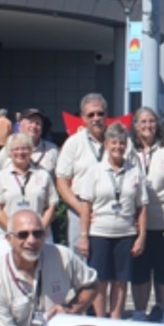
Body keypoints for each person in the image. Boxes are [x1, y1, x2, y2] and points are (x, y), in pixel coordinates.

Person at [76, 123, 148, 319]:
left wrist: (141, 236)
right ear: (106, 144)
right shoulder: (95, 171)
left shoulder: (134, 172)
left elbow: (142, 206)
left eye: (122, 143)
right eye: (114, 142)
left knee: (121, 280)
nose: (118, 147)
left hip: (126, 233)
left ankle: (116, 320)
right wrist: (84, 236)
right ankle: (101, 320)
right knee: (100, 280)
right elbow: (86, 205)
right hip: (99, 233)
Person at [128, 107, 164, 324]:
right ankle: (140, 312)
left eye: (151, 121)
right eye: (142, 121)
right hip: (136, 222)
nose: (147, 126)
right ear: (135, 125)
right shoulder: (128, 151)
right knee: (140, 272)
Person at [0, 133, 58, 259]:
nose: (21, 152)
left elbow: (52, 205)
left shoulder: (43, 175)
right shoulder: (0, 177)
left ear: (31, 151)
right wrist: (14, 230)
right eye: (16, 149)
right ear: (9, 153)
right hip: (8, 237)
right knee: (10, 275)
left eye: (25, 148)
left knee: (41, 274)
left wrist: (39, 229)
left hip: (40, 237)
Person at [56, 93, 110, 251]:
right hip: (79, 210)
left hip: (111, 211)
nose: (96, 118)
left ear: (106, 115)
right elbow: (61, 181)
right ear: (83, 118)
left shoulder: (119, 141)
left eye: (100, 113)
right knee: (80, 260)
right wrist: (82, 209)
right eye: (90, 114)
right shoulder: (73, 143)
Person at [0, 109, 59, 175]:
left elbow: (60, 179)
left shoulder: (52, 150)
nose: (34, 126)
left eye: (37, 123)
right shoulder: (7, 150)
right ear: (20, 126)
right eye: (30, 122)